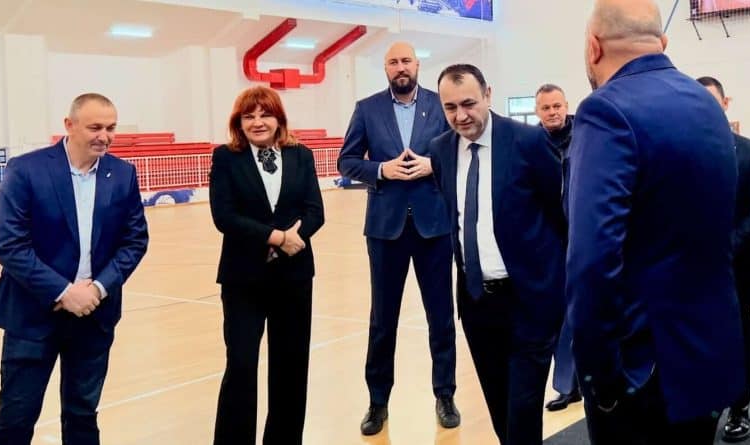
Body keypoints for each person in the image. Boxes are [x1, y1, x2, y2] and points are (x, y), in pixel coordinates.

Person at [565, 1, 745, 444]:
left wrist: (599, 377)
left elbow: (592, 261)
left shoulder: (605, 111)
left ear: (593, 47)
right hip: (708, 353)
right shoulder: (707, 106)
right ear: (661, 43)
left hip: (643, 373)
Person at [0, 93, 149, 445]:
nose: (104, 136)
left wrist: (97, 289)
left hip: (94, 315)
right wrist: (64, 292)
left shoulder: (122, 174)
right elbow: (11, 245)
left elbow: (135, 240)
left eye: (111, 128)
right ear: (69, 125)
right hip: (32, 315)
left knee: (82, 416)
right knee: (16, 418)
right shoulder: (26, 169)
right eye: (95, 127)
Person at [430, 64, 565, 445]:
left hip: (529, 302)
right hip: (477, 303)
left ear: (488, 95)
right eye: (450, 107)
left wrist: (555, 287)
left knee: (522, 413)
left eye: (469, 103)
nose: (461, 116)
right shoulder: (440, 150)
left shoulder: (528, 141)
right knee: (499, 410)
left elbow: (560, 214)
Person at [337, 42, 458, 435]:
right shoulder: (366, 109)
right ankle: (378, 402)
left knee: (441, 317)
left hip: (434, 227)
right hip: (385, 229)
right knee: (382, 320)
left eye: (406, 61)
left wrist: (432, 164)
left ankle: (445, 394)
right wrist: (381, 170)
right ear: (386, 68)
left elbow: (460, 150)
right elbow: (346, 161)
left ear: (418, 64)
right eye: (393, 62)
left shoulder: (440, 105)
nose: (400, 67)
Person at [209, 85, 324, 445]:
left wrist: (294, 238)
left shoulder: (301, 155)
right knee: (241, 364)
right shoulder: (225, 158)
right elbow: (224, 216)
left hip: (294, 276)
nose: (257, 122)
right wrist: (276, 237)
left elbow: (315, 211)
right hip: (243, 279)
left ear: (279, 119)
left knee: (291, 366)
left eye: (265, 114)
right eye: (249, 116)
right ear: (238, 123)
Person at [697, 75, 750, 443]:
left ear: (725, 104)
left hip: (735, 268)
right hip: (690, 270)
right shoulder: (678, 151)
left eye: (712, 102)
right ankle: (702, 406)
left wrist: (727, 247)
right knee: (698, 340)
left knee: (739, 338)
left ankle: (739, 407)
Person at [534, 83, 581, 412]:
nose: (552, 112)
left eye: (557, 106)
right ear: (537, 111)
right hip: (549, 243)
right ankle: (567, 386)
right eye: (546, 108)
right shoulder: (530, 143)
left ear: (566, 105)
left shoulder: (587, 135)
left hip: (585, 239)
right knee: (558, 317)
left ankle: (594, 380)